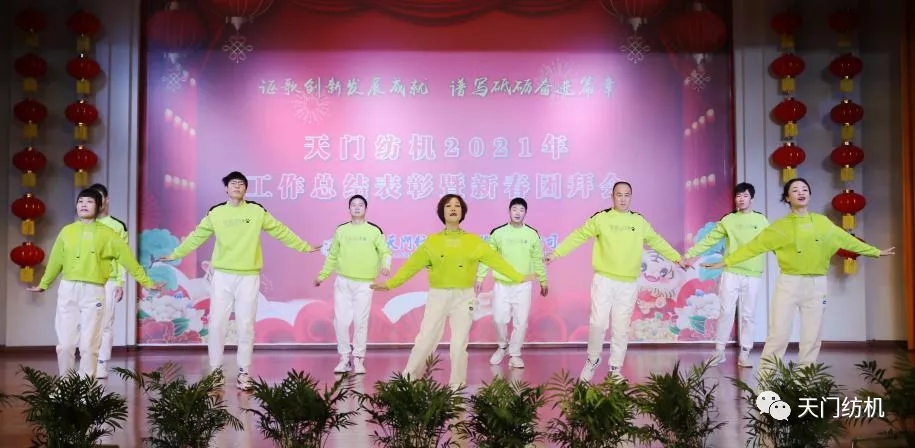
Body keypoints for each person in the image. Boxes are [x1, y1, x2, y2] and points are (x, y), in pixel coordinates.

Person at [703, 178, 894, 376]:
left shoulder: (822, 222)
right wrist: (725, 262)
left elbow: (846, 239)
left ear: (809, 195)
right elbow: (752, 248)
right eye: (795, 190)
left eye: (804, 189)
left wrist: (875, 252)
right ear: (787, 198)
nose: (801, 192)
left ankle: (804, 380)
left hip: (817, 284)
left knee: (812, 336)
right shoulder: (779, 227)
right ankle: (766, 380)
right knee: (778, 335)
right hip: (789, 283)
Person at [159, 171, 320, 391]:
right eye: (233, 183)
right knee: (217, 324)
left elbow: (280, 231)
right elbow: (197, 236)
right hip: (222, 276)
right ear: (226, 188)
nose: (237, 186)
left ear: (246, 189)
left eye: (241, 184)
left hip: (248, 276)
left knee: (246, 325)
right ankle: (215, 371)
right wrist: (176, 254)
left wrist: (304, 246)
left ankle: (244, 372)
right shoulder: (216, 213)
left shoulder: (256, 211)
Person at [370, 194, 531, 390]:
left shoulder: (473, 241)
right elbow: (410, 266)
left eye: (457, 206)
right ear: (442, 212)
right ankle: (409, 379)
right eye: (448, 206)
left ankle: (457, 386)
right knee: (425, 339)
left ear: (463, 212)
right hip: (438, 296)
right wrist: (390, 284)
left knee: (459, 344)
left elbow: (497, 261)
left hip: (464, 297)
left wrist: (518, 277)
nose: (453, 208)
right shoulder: (432, 242)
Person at [545, 181, 688, 382]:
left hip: (628, 283)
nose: (623, 199)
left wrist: (677, 259)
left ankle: (615, 368)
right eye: (619, 195)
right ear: (612, 197)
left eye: (627, 195)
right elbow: (578, 236)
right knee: (598, 323)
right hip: (604, 280)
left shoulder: (639, 222)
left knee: (621, 327)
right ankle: (592, 360)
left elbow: (657, 241)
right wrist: (556, 253)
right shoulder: (601, 218)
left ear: (631, 197)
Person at [26, 188, 161, 377]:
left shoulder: (109, 234)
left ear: (99, 206)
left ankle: (86, 385)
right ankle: (66, 383)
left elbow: (128, 260)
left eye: (89, 201)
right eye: (80, 201)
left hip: (94, 291)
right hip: (68, 289)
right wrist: (44, 284)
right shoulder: (67, 231)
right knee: (65, 345)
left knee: (89, 345)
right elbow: (56, 260)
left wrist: (146, 282)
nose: (83, 205)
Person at [683, 182, 769, 368]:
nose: (741, 199)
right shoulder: (728, 220)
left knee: (748, 315)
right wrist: (689, 255)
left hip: (753, 273)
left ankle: (745, 352)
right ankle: (719, 351)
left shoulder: (761, 220)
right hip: (731, 271)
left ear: (752, 199)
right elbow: (709, 240)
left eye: (745, 195)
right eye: (738, 196)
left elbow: (771, 242)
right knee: (726, 311)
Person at [314, 194, 392, 375]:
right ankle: (344, 358)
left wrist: (386, 265)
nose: (357, 207)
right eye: (353, 205)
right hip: (343, 282)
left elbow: (385, 252)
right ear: (349, 209)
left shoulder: (374, 231)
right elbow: (332, 255)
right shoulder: (341, 230)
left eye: (360, 205)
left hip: (364, 283)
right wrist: (322, 276)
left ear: (366, 208)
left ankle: (358, 358)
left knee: (360, 321)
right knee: (341, 322)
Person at [475, 197, 548, 369]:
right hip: (502, 284)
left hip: (523, 284)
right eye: (514, 209)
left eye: (521, 210)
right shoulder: (498, 233)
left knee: (521, 322)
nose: (517, 213)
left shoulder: (532, 234)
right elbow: (488, 257)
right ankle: (502, 346)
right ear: (509, 211)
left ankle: (515, 354)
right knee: (499, 319)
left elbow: (537, 259)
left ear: (525, 213)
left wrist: (543, 280)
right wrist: (480, 277)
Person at [88, 183, 130, 379]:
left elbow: (122, 256)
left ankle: (102, 363)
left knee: (106, 323)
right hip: (87, 280)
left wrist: (120, 282)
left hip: (109, 281)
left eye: (99, 198)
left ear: (106, 200)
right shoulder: (84, 225)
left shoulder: (117, 226)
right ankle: (88, 362)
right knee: (87, 323)